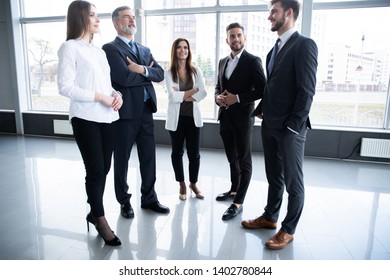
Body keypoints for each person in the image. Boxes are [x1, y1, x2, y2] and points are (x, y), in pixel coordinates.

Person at [242, 0, 318, 250]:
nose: (269, 17)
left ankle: (289, 229)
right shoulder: (273, 50)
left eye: (273, 11)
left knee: (293, 182)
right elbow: (272, 86)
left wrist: (294, 126)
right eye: (269, 12)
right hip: (270, 124)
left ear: (289, 12)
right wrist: (262, 110)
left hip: (290, 129)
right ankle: (270, 217)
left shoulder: (305, 45)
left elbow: (306, 90)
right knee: (274, 176)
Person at [57, 0, 123, 246]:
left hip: (108, 117)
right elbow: (66, 87)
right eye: (92, 15)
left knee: (104, 168)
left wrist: (116, 94)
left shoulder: (99, 51)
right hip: (85, 117)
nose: (97, 19)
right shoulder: (69, 48)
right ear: (80, 17)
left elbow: (105, 85)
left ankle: (93, 211)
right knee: (95, 169)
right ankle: (100, 217)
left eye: (97, 15)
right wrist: (100, 97)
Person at [102, 6, 170, 218]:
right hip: (125, 113)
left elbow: (160, 74)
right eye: (127, 17)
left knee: (148, 157)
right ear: (116, 22)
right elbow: (123, 78)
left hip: (146, 111)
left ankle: (149, 198)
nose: (132, 20)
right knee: (121, 159)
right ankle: (124, 201)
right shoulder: (111, 49)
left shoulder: (144, 49)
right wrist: (147, 73)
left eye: (133, 17)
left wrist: (141, 69)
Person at [215, 22, 266, 221]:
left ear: (244, 38)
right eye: (232, 36)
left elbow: (262, 89)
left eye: (239, 35)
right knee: (231, 158)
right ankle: (234, 190)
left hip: (243, 118)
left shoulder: (253, 61)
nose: (235, 39)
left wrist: (236, 98)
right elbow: (218, 88)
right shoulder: (222, 62)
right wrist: (218, 98)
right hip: (225, 118)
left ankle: (238, 202)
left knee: (244, 160)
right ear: (227, 40)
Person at [165, 38, 207, 201]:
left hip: (193, 119)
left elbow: (203, 93)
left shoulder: (197, 71)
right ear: (174, 51)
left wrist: (183, 95)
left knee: (194, 154)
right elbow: (172, 96)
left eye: (186, 48)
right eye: (179, 48)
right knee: (177, 153)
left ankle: (193, 183)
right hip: (176, 120)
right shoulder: (168, 73)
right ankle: (181, 183)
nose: (183, 50)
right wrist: (192, 90)